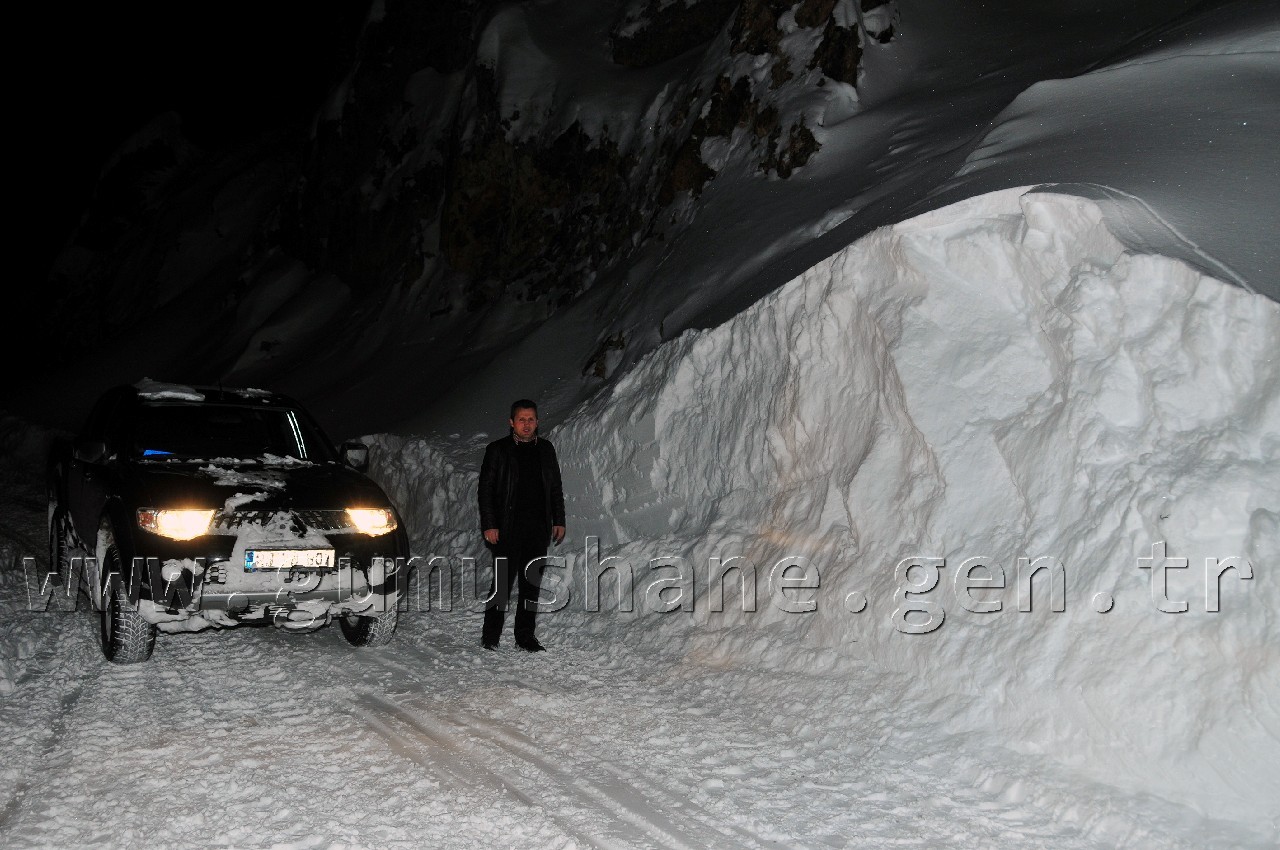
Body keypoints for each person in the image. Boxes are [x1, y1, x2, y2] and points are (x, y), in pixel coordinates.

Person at [478, 399, 566, 651]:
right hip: (507, 529)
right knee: (502, 583)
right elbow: (485, 490)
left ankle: (525, 637)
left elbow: (555, 488)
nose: (526, 424)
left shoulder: (546, 449)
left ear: (537, 422)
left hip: (537, 528)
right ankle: (491, 636)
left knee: (531, 584)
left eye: (530, 419)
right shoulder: (498, 450)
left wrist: (559, 519)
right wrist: (490, 524)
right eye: (521, 420)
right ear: (511, 422)